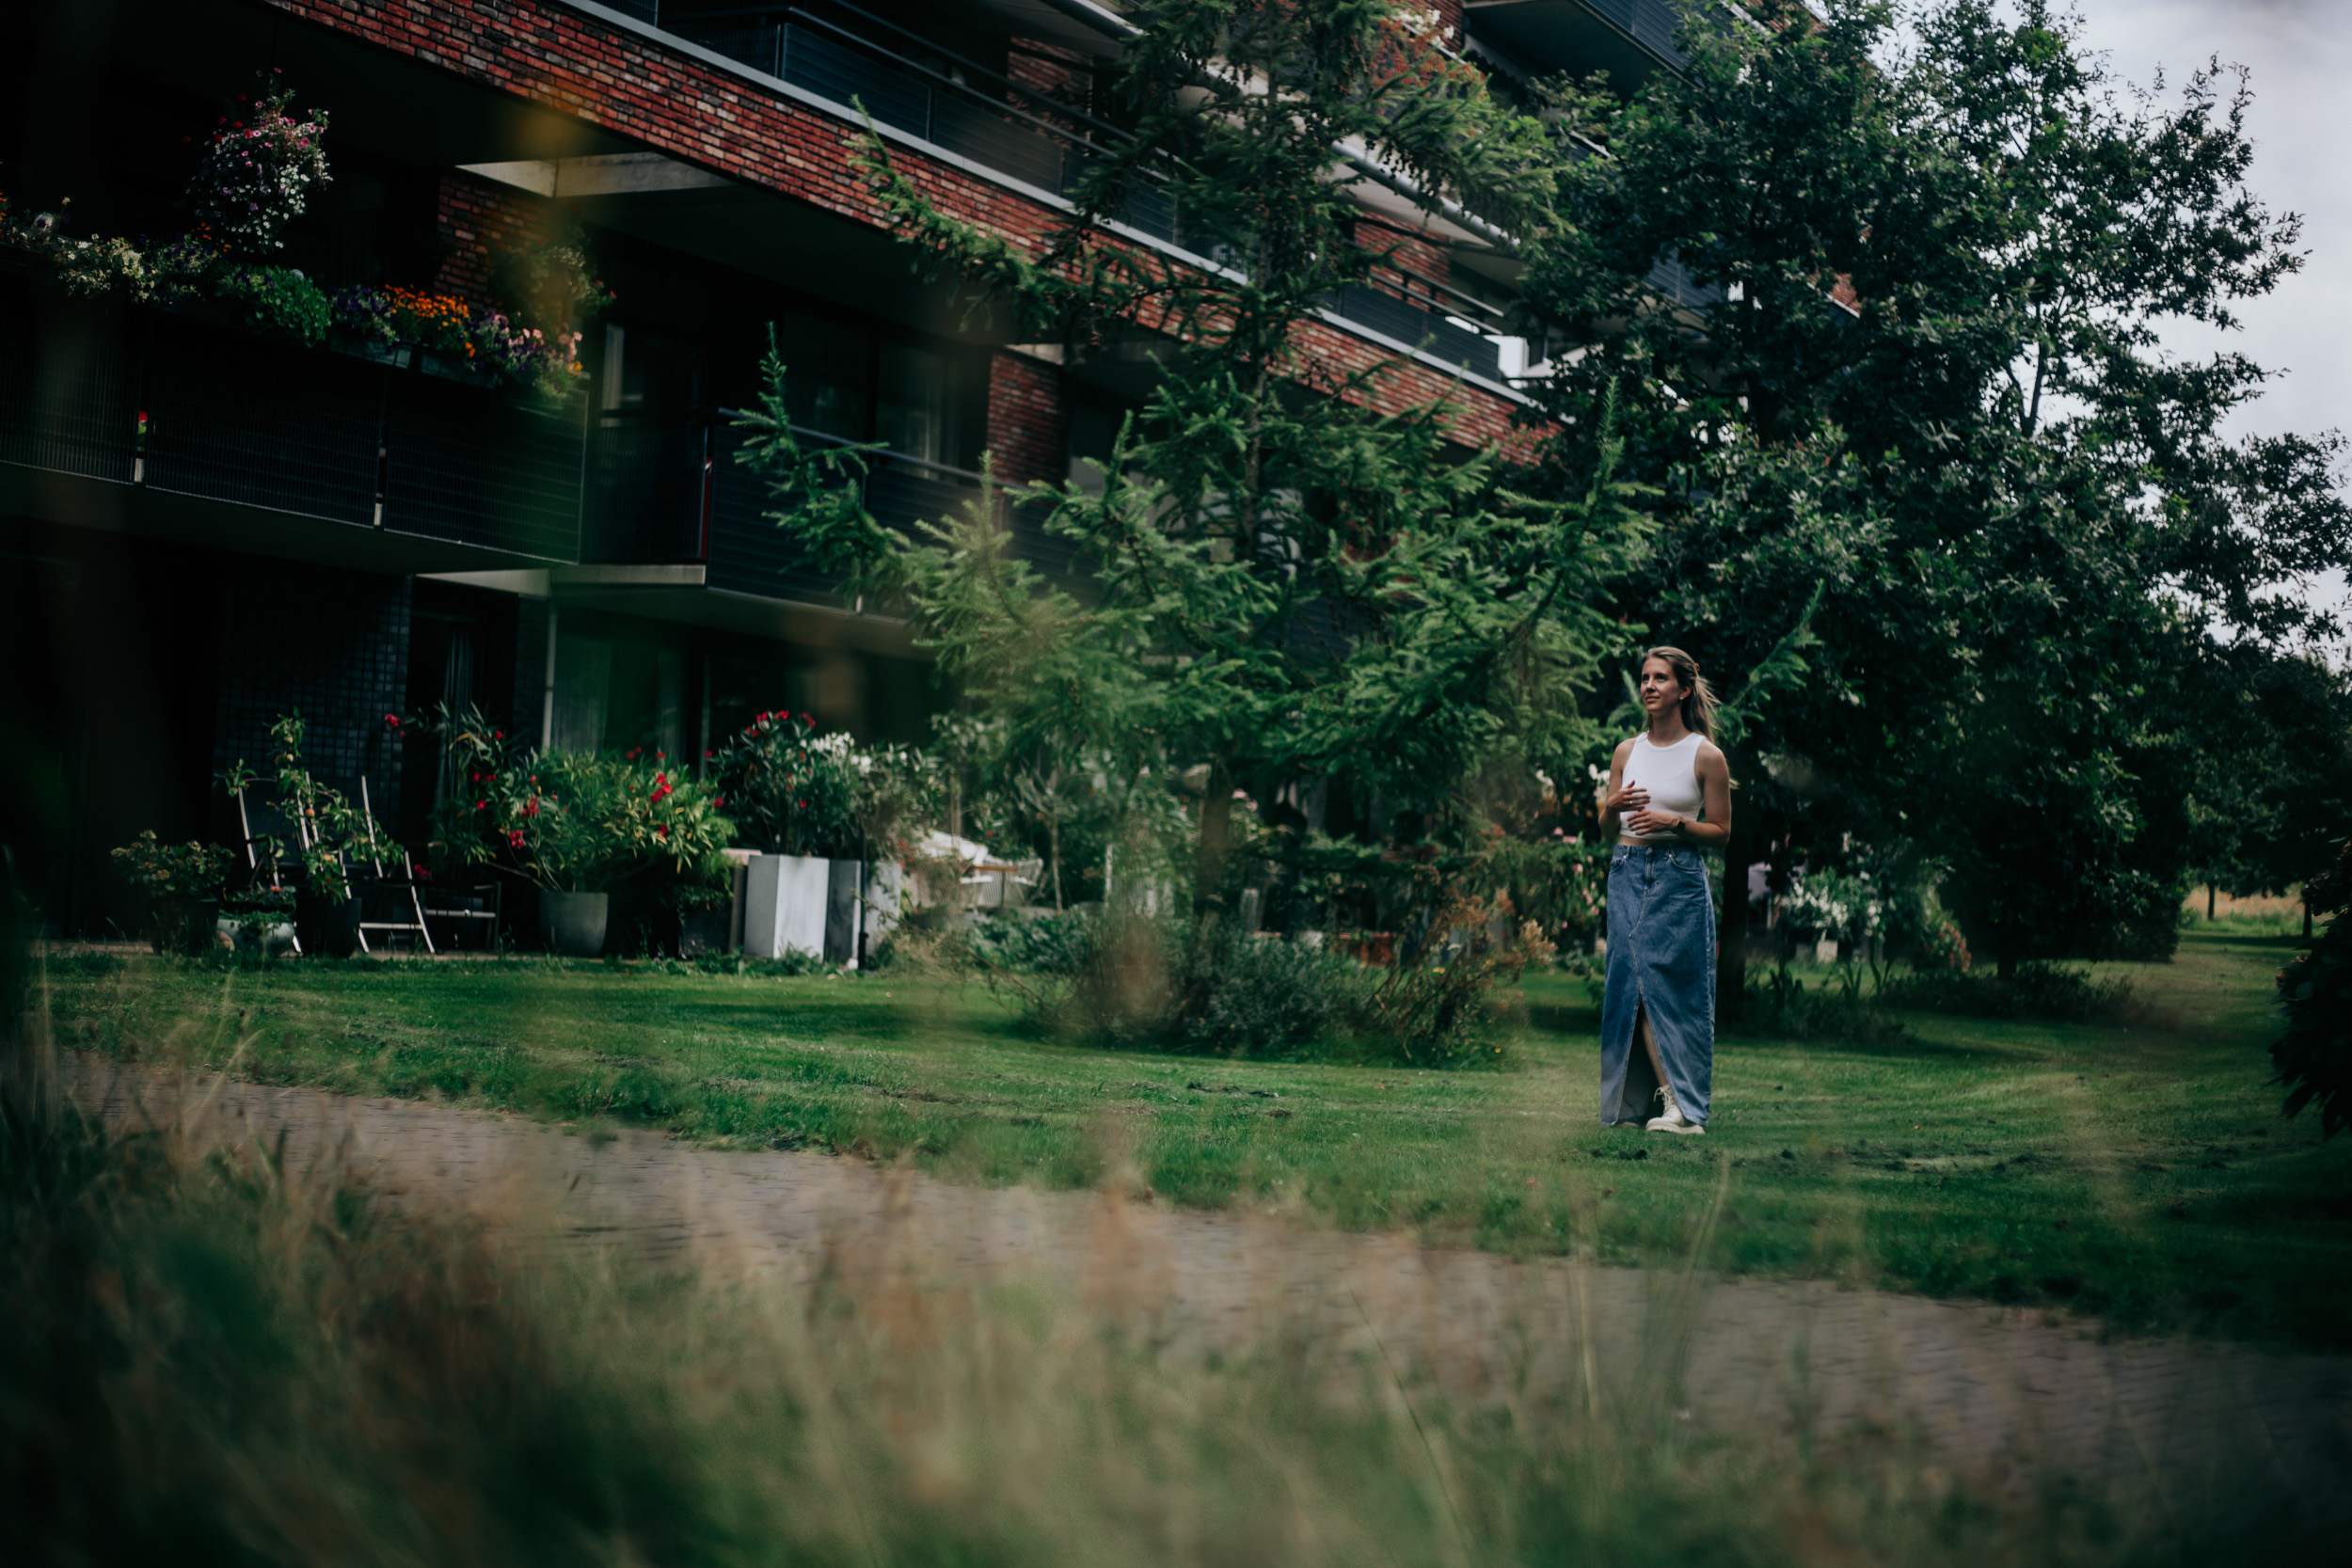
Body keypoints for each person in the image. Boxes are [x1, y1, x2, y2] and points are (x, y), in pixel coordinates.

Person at [1597, 647, 1732, 1134]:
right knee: (1626, 987)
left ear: (1684, 689)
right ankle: (1631, 1108)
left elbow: (1721, 832)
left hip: (1678, 879)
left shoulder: (1706, 755)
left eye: (1660, 678)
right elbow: (1608, 830)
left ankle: (1681, 1109)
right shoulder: (1627, 751)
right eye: (1644, 678)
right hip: (1627, 868)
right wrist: (1611, 805)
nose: (1649, 686)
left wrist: (1674, 822)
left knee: (1666, 990)